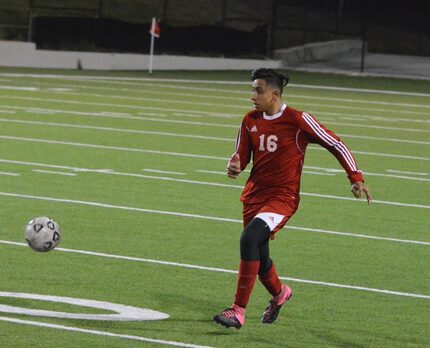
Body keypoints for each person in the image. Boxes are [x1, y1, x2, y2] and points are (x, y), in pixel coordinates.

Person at [213, 68, 372, 329]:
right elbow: (241, 158)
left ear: (274, 94)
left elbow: (335, 143)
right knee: (260, 257)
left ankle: (237, 311)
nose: (252, 95)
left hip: (282, 198)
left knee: (249, 239)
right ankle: (279, 294)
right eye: (252, 89)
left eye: (258, 90)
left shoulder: (298, 120)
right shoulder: (249, 120)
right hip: (254, 197)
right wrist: (234, 166)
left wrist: (355, 177)